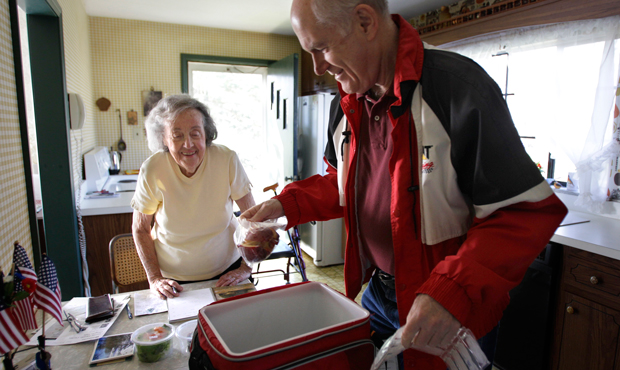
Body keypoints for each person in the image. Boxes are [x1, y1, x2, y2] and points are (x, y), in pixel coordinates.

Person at [241, 1, 568, 369]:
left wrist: (451, 294)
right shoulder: (345, 102)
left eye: (321, 48)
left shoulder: (457, 88)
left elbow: (522, 214)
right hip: (378, 294)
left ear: (365, 21)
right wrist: (287, 205)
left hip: (446, 307)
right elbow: (345, 182)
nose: (318, 67)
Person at [131, 94, 255, 299]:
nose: (188, 144)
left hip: (228, 271)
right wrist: (154, 278)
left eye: (195, 133)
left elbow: (253, 217)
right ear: (164, 139)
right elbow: (141, 228)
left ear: (206, 134)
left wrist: (246, 267)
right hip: (175, 282)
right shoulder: (153, 169)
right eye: (177, 135)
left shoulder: (226, 160)